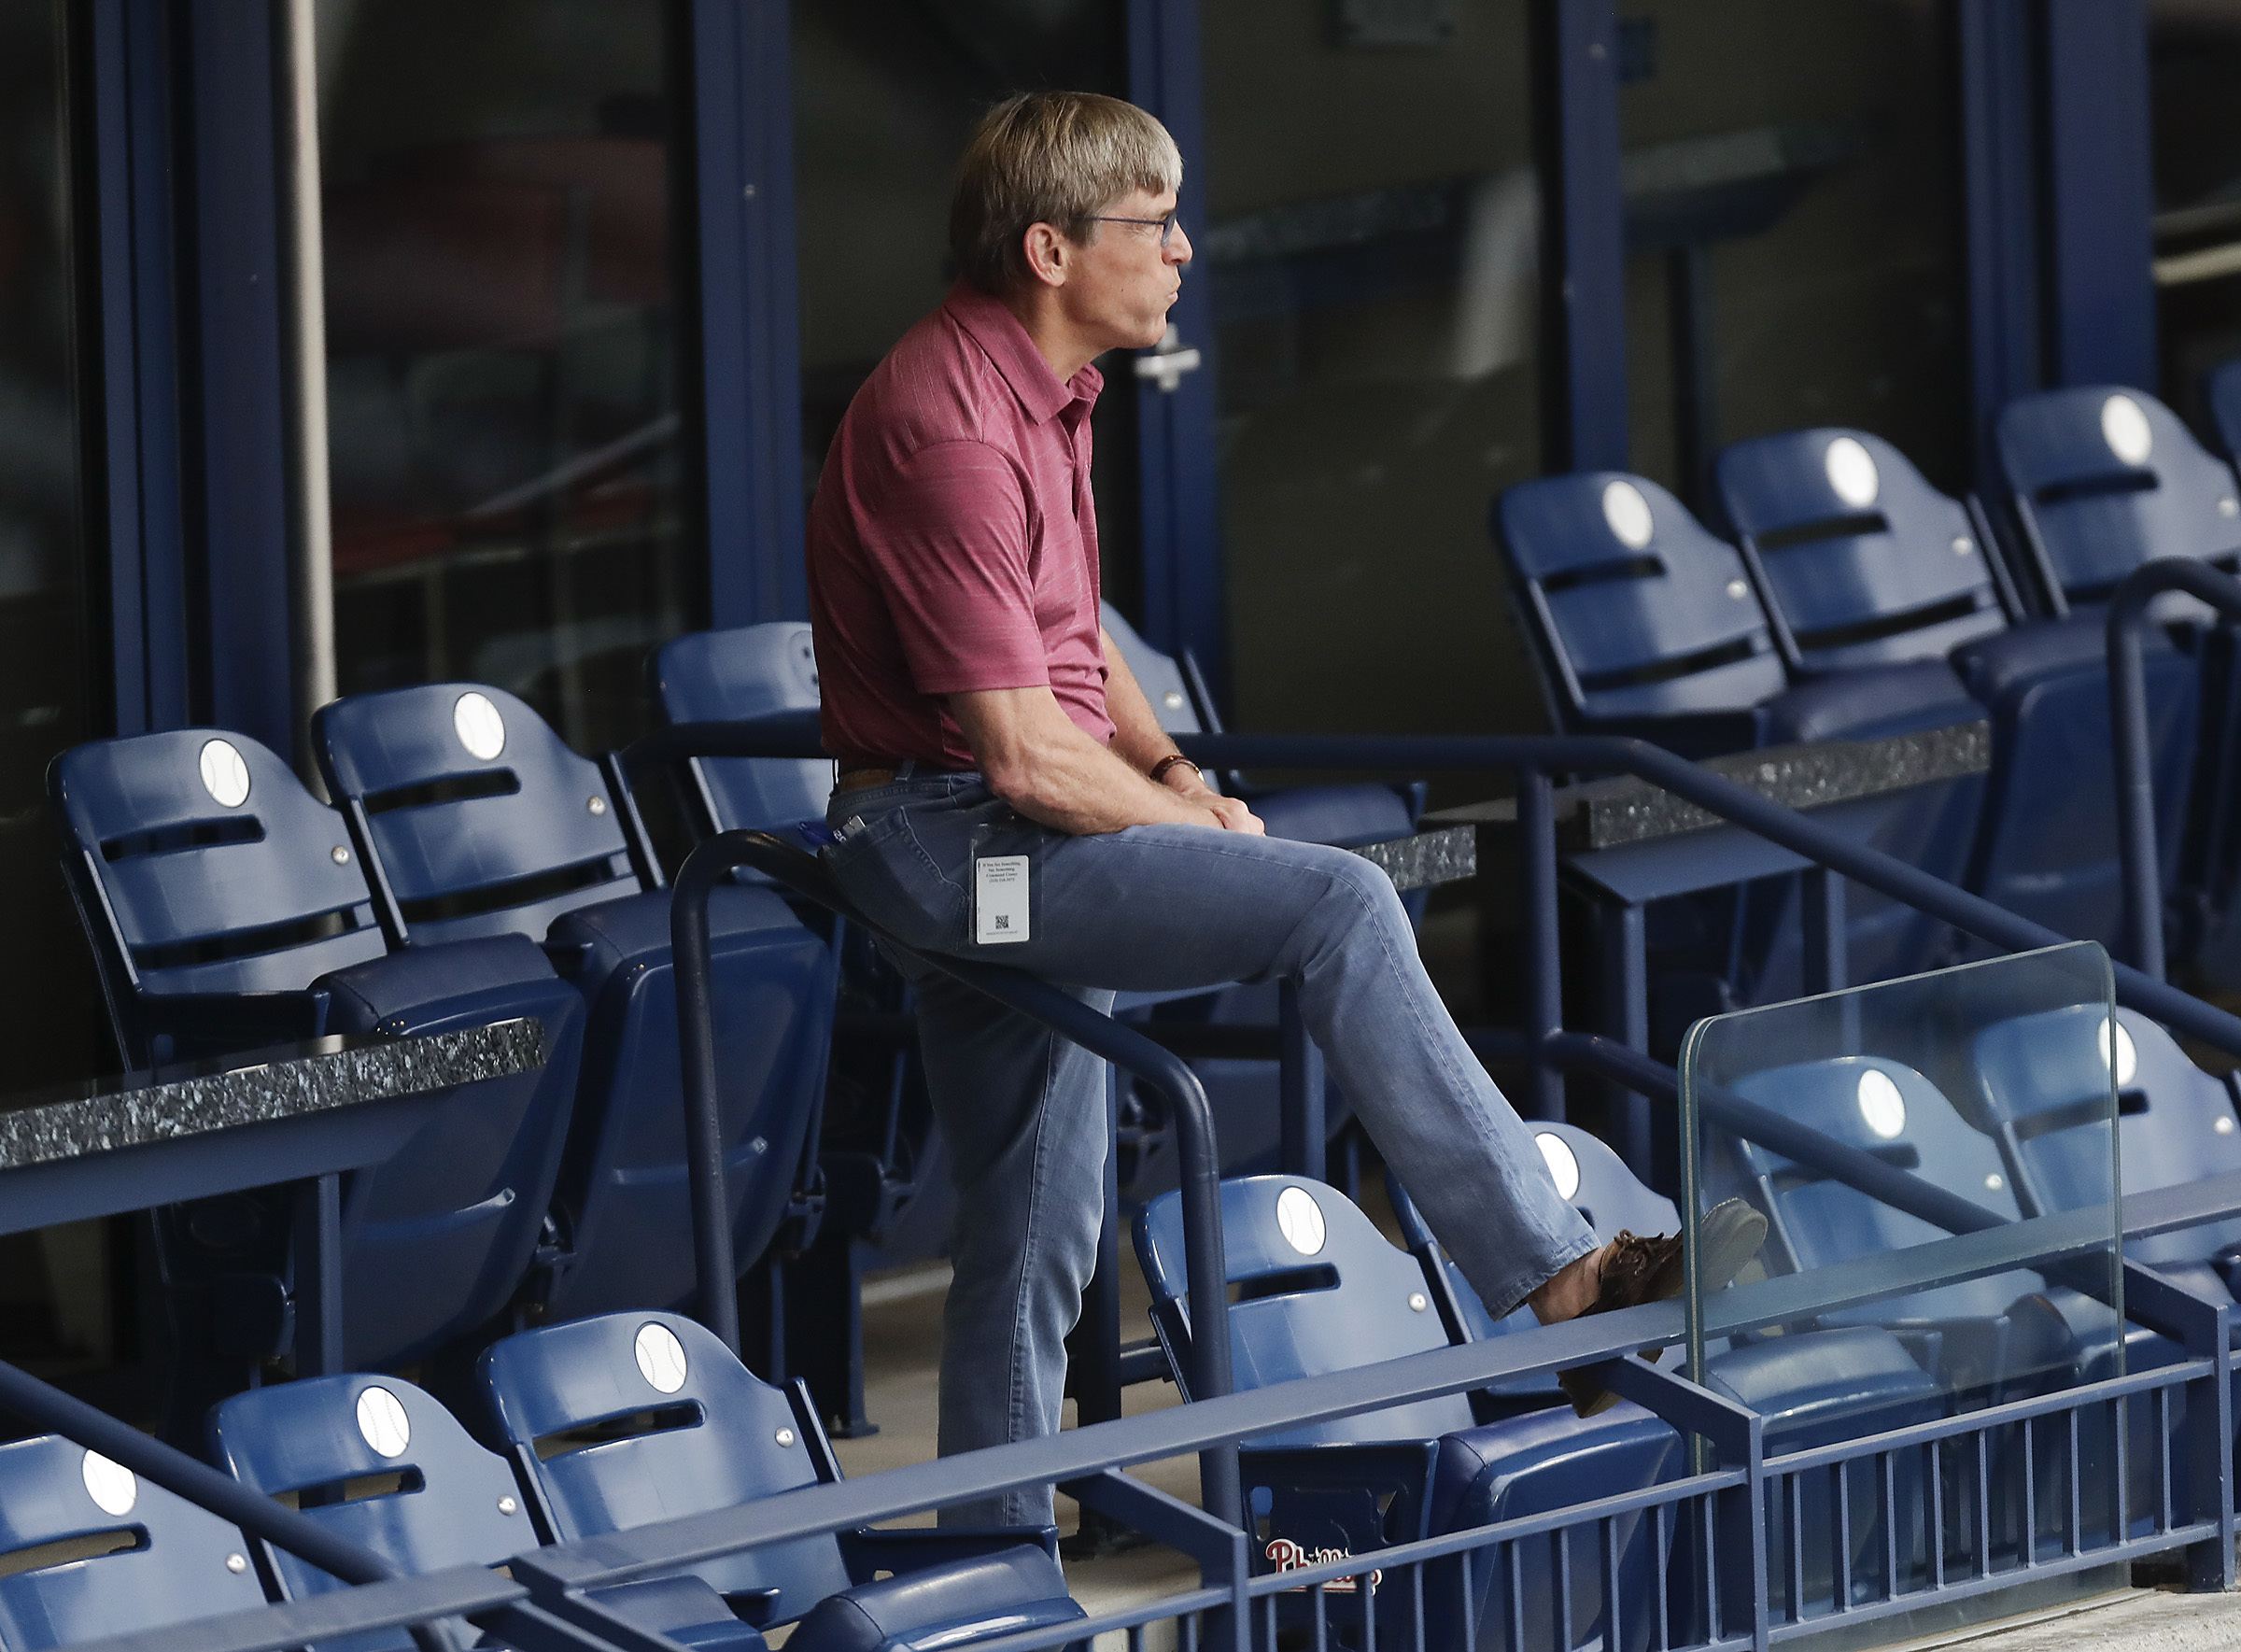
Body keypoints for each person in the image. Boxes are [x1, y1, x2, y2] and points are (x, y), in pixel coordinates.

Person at [806, 90, 1762, 1527]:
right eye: (1157, 221)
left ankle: (991, 1553)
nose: (1186, 249)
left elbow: (1074, 644)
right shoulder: (946, 423)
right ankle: (1560, 1273)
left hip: (997, 828)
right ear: (1054, 248)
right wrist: (1198, 833)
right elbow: (1017, 752)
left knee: (1036, 1217)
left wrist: (1180, 772)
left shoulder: (1039, 389)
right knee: (1338, 899)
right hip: (956, 852)